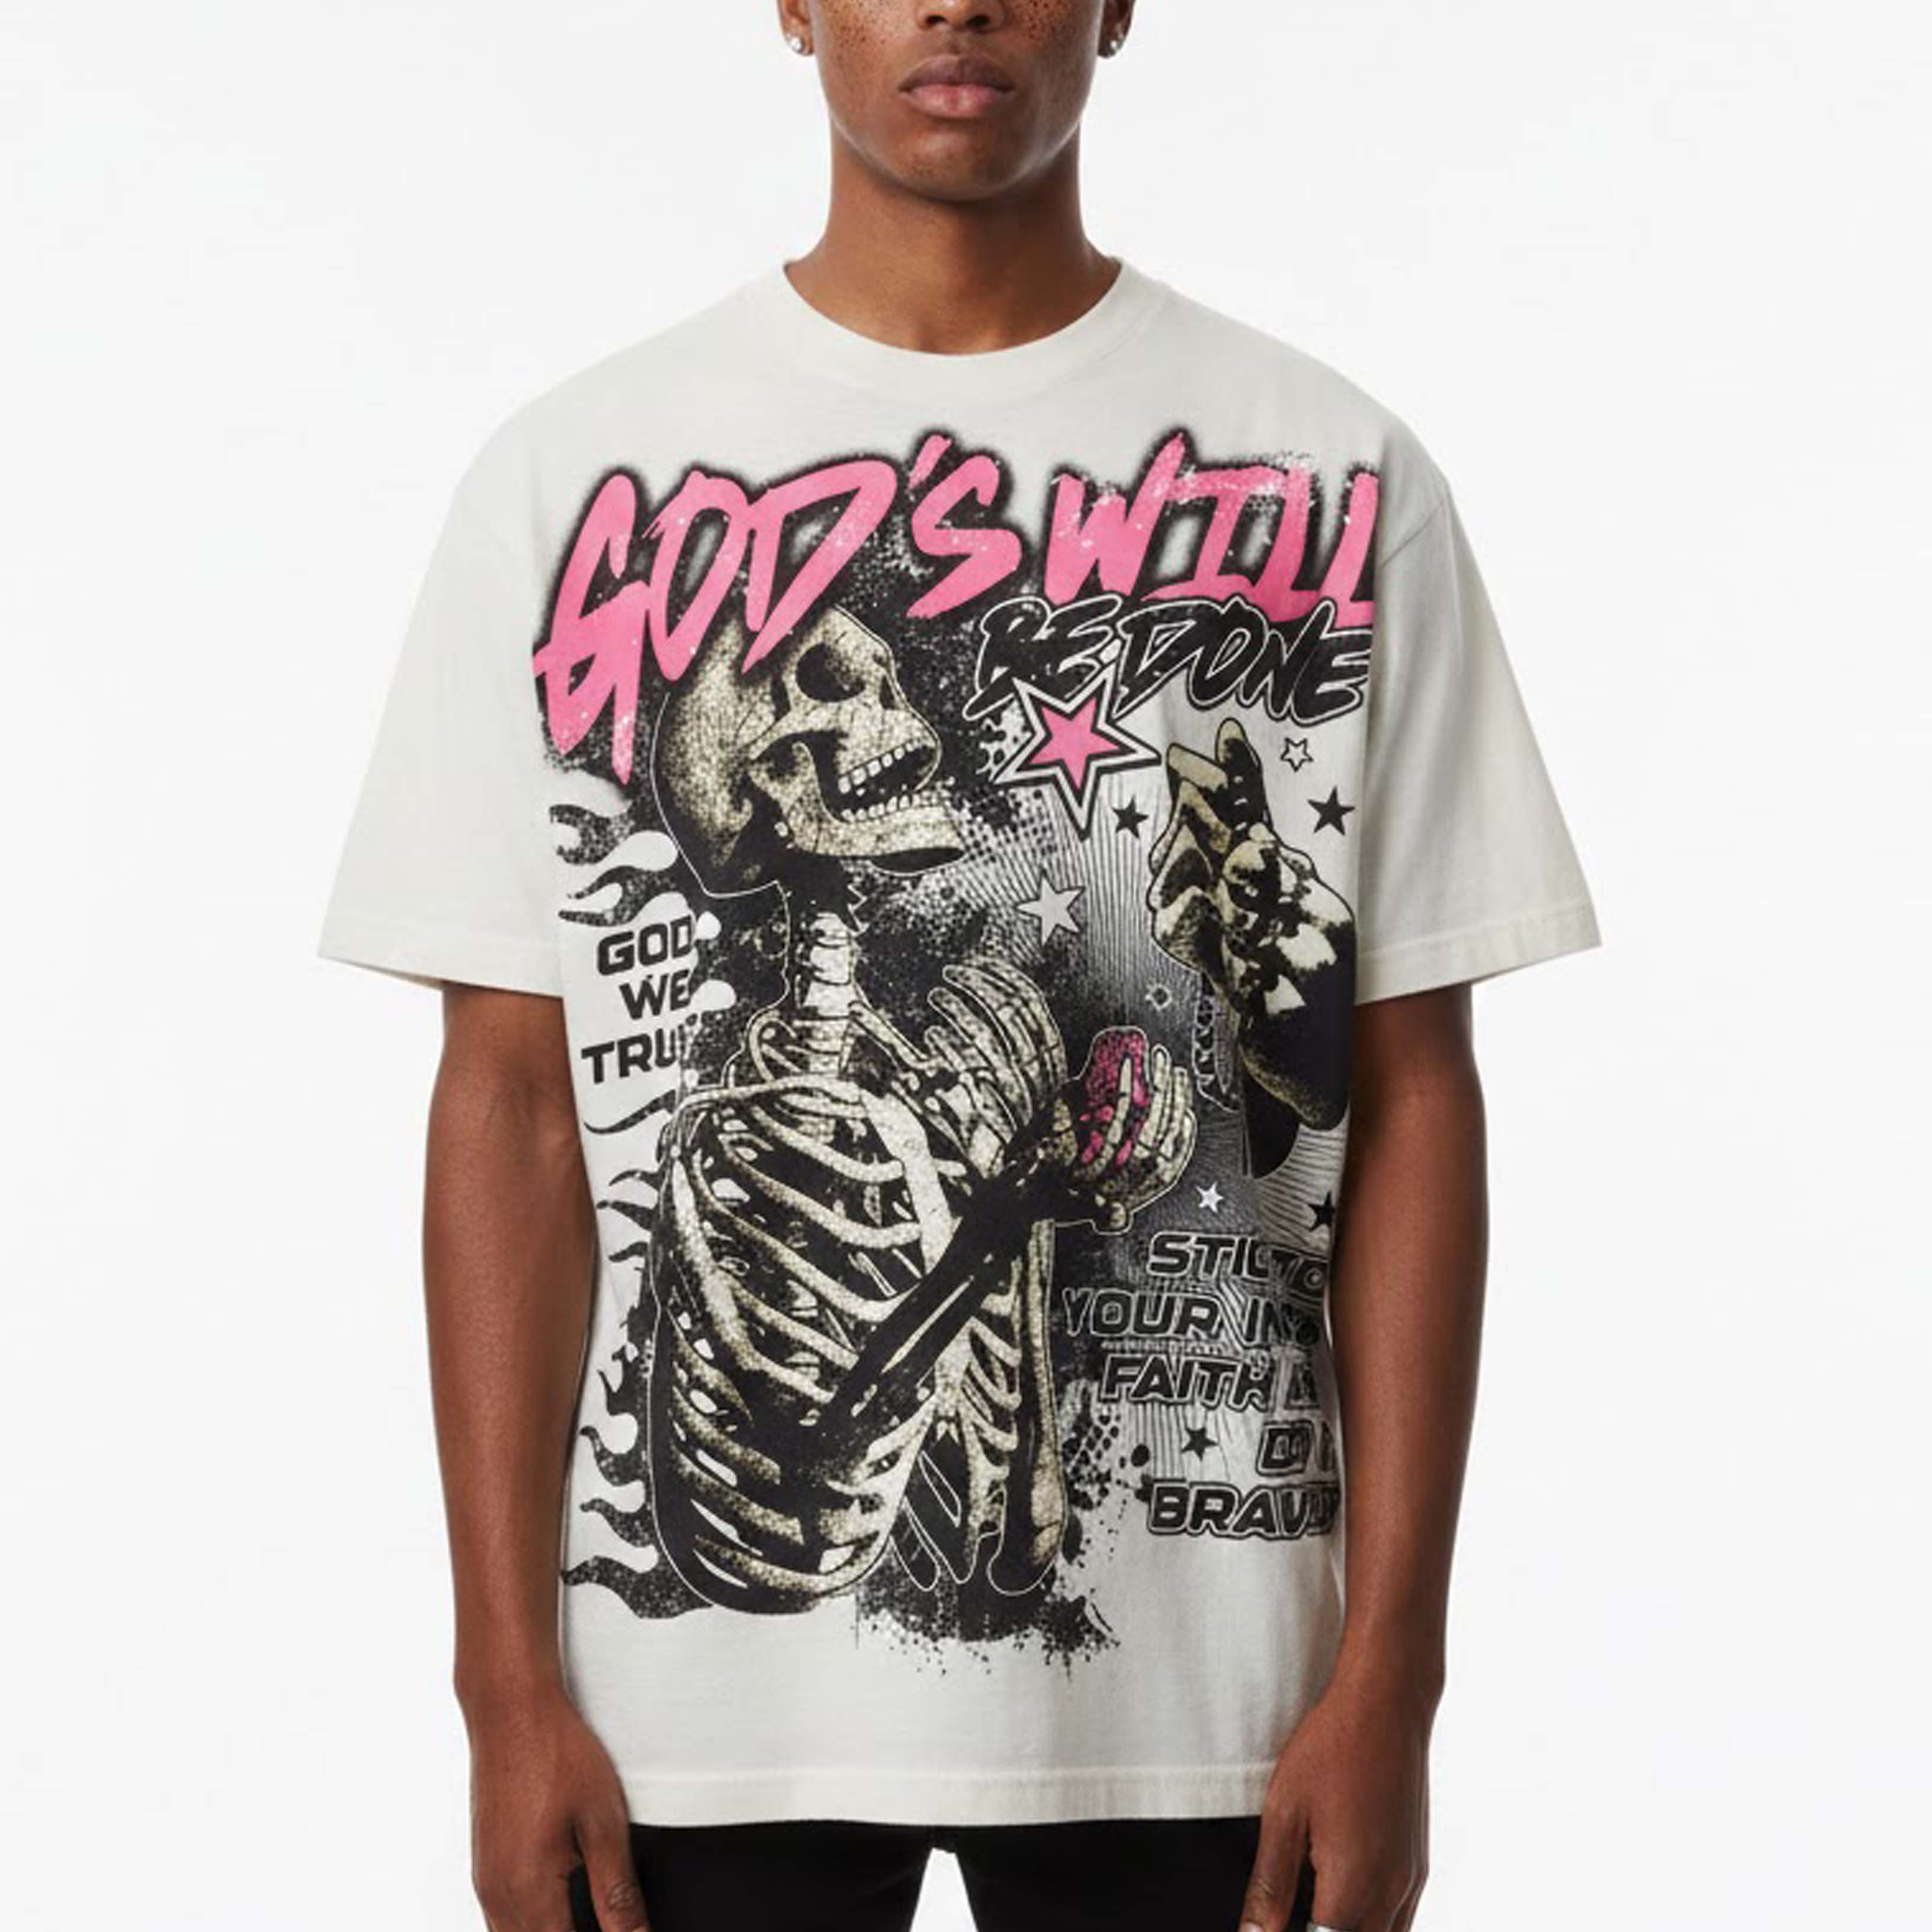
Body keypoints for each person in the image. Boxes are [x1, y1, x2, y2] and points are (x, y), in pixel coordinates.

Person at [321, 4, 1598, 1928]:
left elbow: (1412, 1093)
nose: (956, 3)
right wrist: (505, 1693)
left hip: (1208, 1712)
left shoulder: (1332, 474)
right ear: (791, 6)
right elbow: (507, 1105)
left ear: (1117, 7)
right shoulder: (572, 478)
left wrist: (1390, 1681)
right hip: (693, 1724)